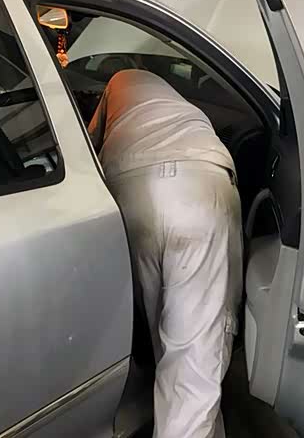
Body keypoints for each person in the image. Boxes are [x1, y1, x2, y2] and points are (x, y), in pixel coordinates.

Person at [88, 69, 242, 438]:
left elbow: (88, 144)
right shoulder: (181, 106)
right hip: (197, 188)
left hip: (129, 190)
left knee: (163, 329)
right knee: (194, 352)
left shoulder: (117, 86)